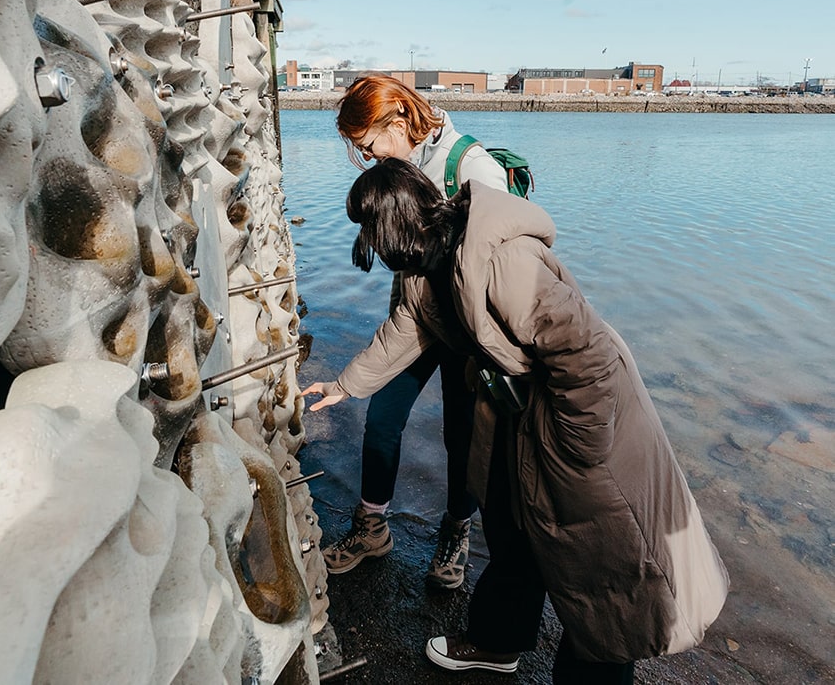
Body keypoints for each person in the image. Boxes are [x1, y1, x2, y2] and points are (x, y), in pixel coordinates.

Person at [302, 159, 729, 681]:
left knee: (600, 566)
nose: (367, 240)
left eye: (368, 227)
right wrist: (343, 386)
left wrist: (579, 450)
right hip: (517, 413)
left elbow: (586, 358)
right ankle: (498, 641)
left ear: (391, 224)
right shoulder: (426, 269)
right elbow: (405, 331)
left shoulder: (504, 260)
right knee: (510, 527)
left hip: (579, 415)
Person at [324, 75, 508, 590]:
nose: (370, 158)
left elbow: (502, 267)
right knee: (382, 417)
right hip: (414, 318)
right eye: (362, 150)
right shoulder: (398, 165)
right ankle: (371, 526)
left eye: (371, 144)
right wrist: (345, 384)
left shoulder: (471, 169)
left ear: (401, 118)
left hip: (467, 332)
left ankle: (455, 531)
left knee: (461, 435)